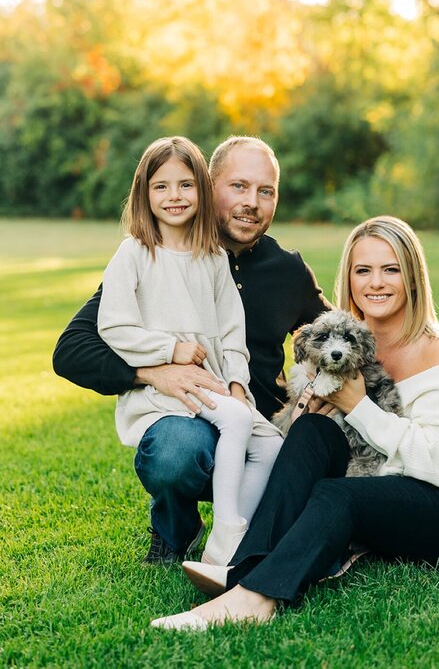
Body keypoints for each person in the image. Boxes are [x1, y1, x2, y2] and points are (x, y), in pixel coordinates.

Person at [150, 215, 439, 630]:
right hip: (385, 500)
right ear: (348, 279)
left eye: (391, 269)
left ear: (413, 277)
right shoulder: (345, 342)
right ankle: (241, 562)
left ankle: (253, 598)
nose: (376, 283)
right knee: (310, 431)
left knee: (339, 495)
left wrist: (358, 406)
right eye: (363, 270)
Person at [53, 136, 330, 563]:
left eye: (265, 191)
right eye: (238, 186)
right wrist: (155, 369)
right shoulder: (141, 256)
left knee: (292, 452)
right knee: (177, 452)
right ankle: (181, 527)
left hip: (252, 411)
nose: (252, 202)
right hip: (186, 417)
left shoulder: (286, 269)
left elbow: (334, 332)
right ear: (211, 185)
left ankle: (239, 536)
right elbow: (75, 348)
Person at [98, 136, 283, 564]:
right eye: (161, 186)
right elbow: (113, 326)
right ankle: (225, 536)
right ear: (144, 193)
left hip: (214, 386)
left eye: (185, 185)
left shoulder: (213, 258)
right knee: (227, 427)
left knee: (271, 446)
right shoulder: (134, 254)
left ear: (202, 189)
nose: (174, 196)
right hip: (167, 395)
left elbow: (233, 333)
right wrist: (170, 348)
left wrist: (237, 383)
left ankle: (235, 533)